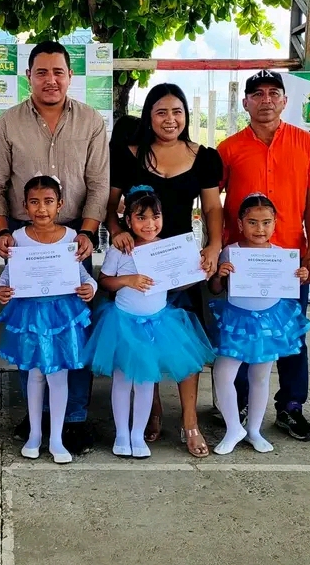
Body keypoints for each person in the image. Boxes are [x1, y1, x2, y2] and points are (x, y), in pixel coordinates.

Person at [0, 40, 109, 454]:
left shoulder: (91, 121)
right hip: (26, 238)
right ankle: (36, 417)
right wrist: (3, 230)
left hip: (73, 237)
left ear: (70, 76)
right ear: (29, 77)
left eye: (58, 72)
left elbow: (99, 184)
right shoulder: (7, 122)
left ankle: (73, 418)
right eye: (41, 72)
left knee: (74, 328)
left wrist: (87, 234)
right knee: (32, 329)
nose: (50, 80)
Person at [105, 83, 223, 457]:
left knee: (185, 345)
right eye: (161, 112)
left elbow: (212, 208)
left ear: (186, 115)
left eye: (177, 111)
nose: (170, 119)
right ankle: (152, 411)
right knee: (143, 340)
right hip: (139, 259)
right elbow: (110, 205)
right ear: (149, 117)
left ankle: (190, 422)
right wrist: (118, 230)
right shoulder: (128, 155)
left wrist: (214, 245)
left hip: (181, 263)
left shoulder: (204, 157)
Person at [217, 70, 310, 442]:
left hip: (288, 261)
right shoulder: (229, 148)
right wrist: (214, 247)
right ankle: (240, 405)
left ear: (284, 100)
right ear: (245, 102)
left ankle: (291, 406)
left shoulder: (307, 144)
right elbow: (212, 201)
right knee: (242, 333)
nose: (266, 100)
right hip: (242, 261)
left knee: (290, 335)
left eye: (273, 93)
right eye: (258, 94)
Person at [83, 186, 214, 459]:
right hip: (122, 324)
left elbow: (177, 284)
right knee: (122, 381)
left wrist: (197, 274)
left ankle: (137, 434)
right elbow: (104, 282)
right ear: (128, 221)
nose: (150, 224)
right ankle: (121, 434)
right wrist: (127, 280)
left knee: (145, 381)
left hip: (158, 323)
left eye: (155, 217)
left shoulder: (167, 249)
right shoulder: (120, 250)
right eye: (141, 218)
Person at [0, 176, 97, 464]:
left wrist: (90, 288)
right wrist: (0, 290)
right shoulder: (17, 239)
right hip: (30, 315)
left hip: (62, 316)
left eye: (48, 202)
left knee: (58, 375)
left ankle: (57, 439)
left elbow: (84, 276)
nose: (41, 209)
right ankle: (35, 434)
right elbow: (6, 277)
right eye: (34, 202)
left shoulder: (71, 237)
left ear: (60, 204)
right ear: (24, 206)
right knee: (35, 374)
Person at [208, 194, 310, 455]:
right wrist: (220, 275)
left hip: (268, 321)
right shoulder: (230, 251)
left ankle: (254, 430)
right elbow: (215, 288)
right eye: (252, 222)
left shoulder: (281, 256)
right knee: (223, 373)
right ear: (240, 224)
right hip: (237, 320)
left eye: (266, 222)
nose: (260, 229)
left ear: (275, 223)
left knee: (261, 376)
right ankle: (234, 428)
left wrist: (299, 276)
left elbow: (289, 286)